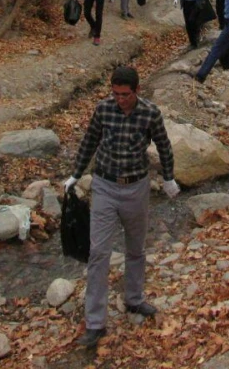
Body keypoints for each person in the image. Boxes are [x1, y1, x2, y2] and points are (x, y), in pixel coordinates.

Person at [64, 65, 179, 349]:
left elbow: (164, 146)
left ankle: (134, 299)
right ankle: (95, 323)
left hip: (136, 187)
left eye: (125, 95)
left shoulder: (150, 113)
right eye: (115, 94)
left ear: (137, 91)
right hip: (104, 185)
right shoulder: (103, 110)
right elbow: (90, 141)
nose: (119, 99)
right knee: (99, 253)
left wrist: (169, 178)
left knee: (136, 249)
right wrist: (76, 174)